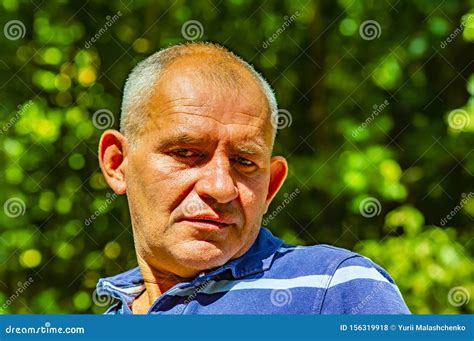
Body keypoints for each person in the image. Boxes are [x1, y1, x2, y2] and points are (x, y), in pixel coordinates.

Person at [96, 42, 410, 314]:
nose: (220, 187)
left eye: (244, 162)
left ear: (271, 186)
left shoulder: (333, 289)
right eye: (187, 153)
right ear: (117, 163)